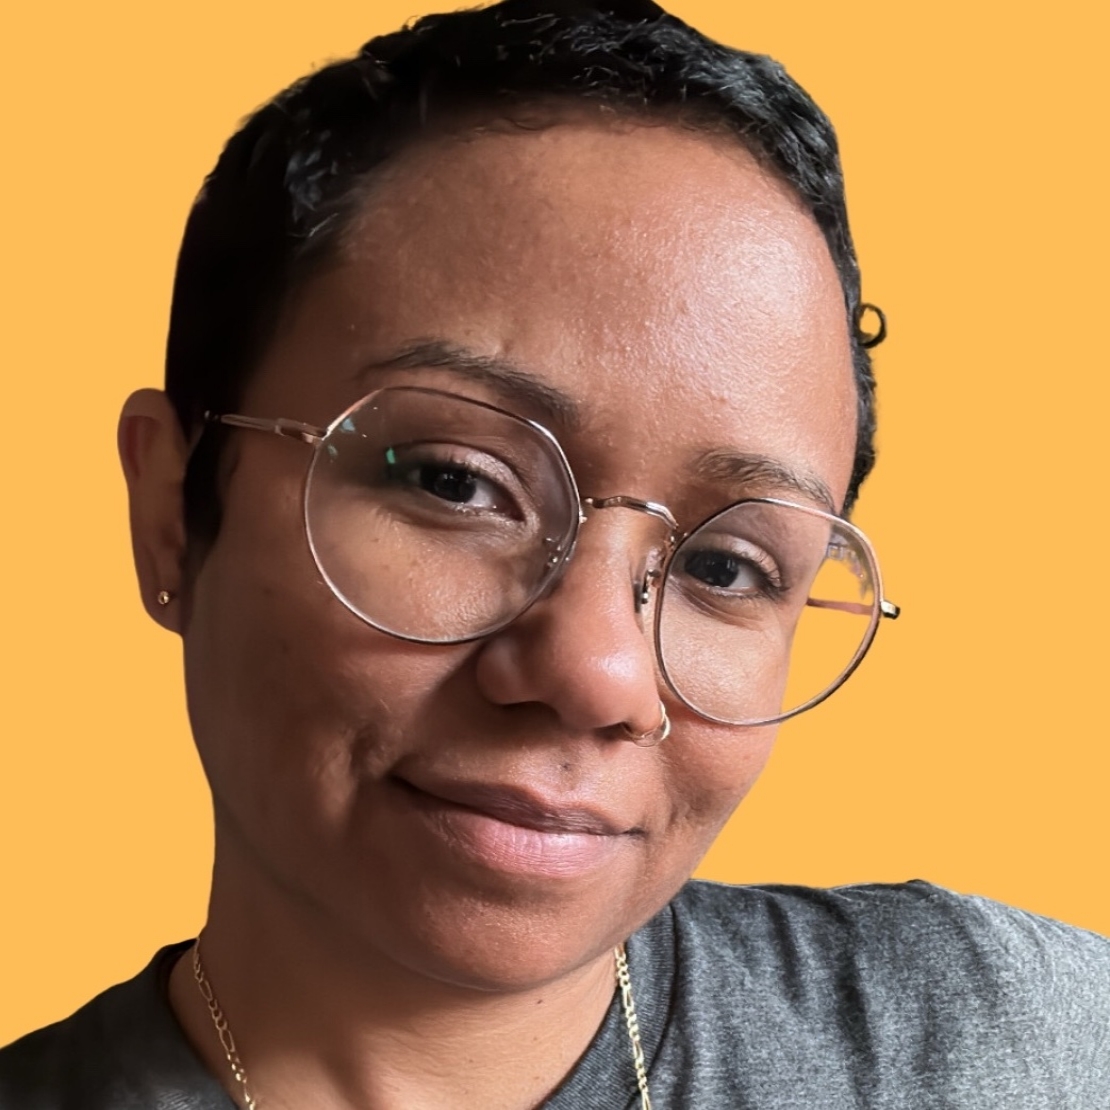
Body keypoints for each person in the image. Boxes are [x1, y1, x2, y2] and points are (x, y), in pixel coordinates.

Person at [2, 0, 1108, 1106]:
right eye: (454, 482)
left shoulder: (1005, 1045)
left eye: (726, 568)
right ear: (170, 512)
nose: (598, 674)